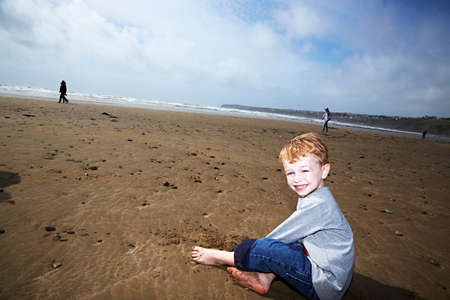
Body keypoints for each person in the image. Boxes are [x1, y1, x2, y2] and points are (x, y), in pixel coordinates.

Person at [191, 133, 355, 300]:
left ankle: (219, 257)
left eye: (305, 170)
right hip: (327, 269)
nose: (297, 179)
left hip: (325, 285)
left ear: (324, 170)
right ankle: (264, 278)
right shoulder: (318, 197)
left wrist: (252, 252)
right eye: (290, 173)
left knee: (265, 248)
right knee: (291, 245)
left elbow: (277, 239)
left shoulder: (318, 206)